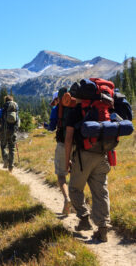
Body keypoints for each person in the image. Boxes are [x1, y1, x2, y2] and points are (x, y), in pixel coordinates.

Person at [65, 97, 111, 242]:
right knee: (101, 191)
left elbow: (68, 139)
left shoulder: (75, 112)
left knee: (74, 188)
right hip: (102, 155)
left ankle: (84, 219)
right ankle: (103, 229)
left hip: (83, 156)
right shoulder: (102, 108)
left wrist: (67, 161)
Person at [46, 89, 72, 215]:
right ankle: (79, 206)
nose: (54, 103)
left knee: (61, 175)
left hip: (63, 144)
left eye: (55, 100)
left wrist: (46, 125)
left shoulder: (56, 109)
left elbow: (51, 127)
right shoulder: (76, 106)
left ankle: (67, 199)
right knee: (77, 176)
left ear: (58, 99)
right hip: (79, 145)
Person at [0, 95, 19, 172]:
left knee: (3, 146)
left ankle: (5, 160)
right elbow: (18, 119)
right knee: (12, 148)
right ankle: (11, 166)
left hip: (4, 131)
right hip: (13, 131)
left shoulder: (3, 109)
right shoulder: (16, 108)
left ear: (5, 101)